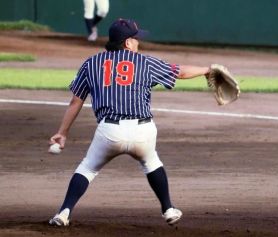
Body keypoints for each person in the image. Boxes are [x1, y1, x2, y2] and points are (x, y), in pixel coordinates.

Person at [48, 18, 210, 227]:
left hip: (109, 132)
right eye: (135, 39)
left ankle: (63, 213)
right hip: (143, 131)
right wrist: (208, 69)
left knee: (87, 169)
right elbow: (180, 72)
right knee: (152, 162)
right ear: (127, 43)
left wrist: (62, 132)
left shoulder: (91, 63)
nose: (138, 42)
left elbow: (75, 100)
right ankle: (168, 209)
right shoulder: (145, 62)